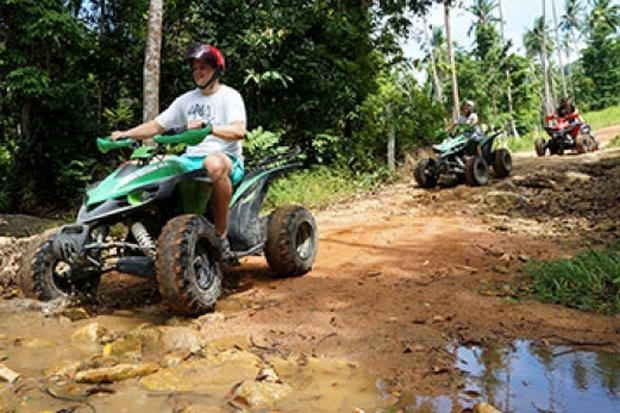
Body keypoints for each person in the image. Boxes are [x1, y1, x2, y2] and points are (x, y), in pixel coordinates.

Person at [111, 43, 246, 262]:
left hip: (225, 159)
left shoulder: (230, 96)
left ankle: (221, 237)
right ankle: (140, 230)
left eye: (203, 67)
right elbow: (156, 126)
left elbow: (239, 131)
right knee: (132, 168)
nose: (198, 72)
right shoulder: (186, 100)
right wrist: (126, 134)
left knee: (213, 163)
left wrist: (209, 128)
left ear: (216, 69)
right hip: (190, 161)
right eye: (195, 68)